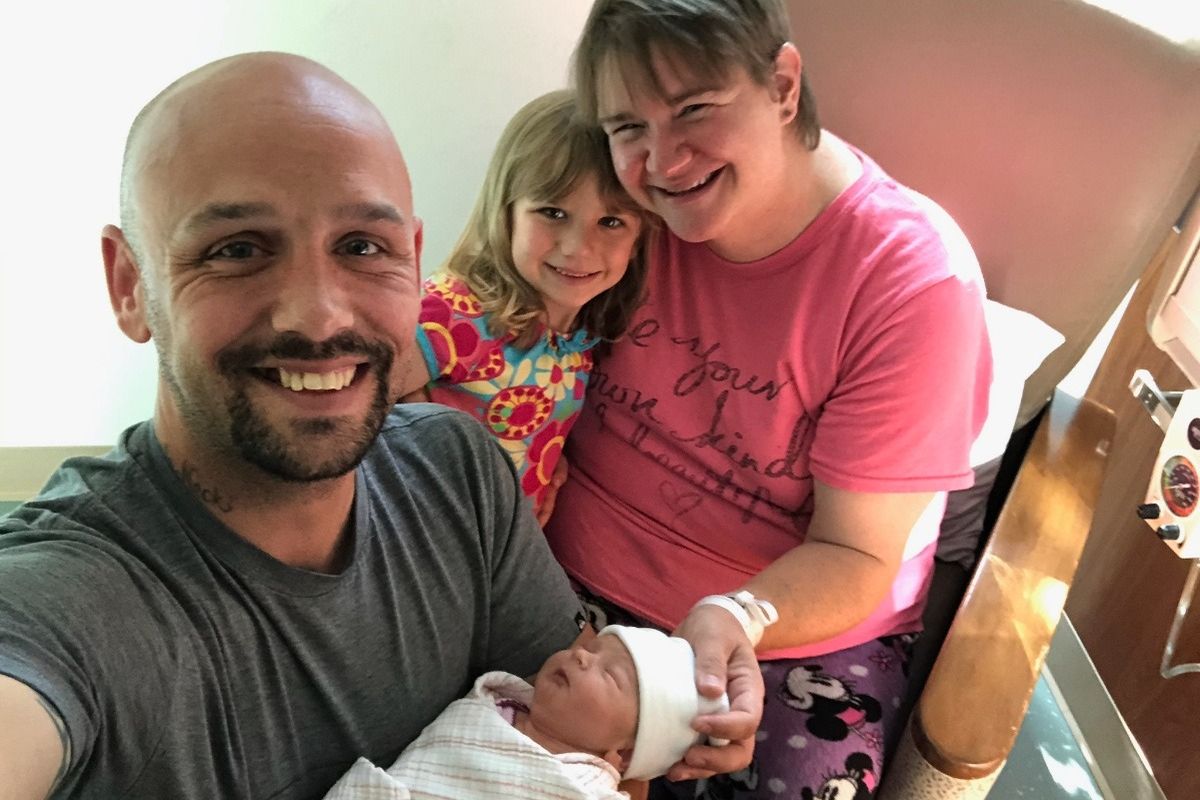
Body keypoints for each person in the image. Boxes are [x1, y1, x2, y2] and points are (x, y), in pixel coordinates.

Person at [0, 52, 590, 800]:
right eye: (238, 250)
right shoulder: (69, 597)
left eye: (361, 247)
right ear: (129, 284)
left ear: (413, 261)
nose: (318, 316)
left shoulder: (459, 474)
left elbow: (594, 748)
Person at [543, 1, 993, 797]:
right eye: (628, 127)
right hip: (555, 567)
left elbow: (856, 553)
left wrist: (734, 617)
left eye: (694, 109)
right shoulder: (612, 212)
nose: (663, 161)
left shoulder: (911, 286)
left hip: (787, 628)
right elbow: (497, 321)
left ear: (783, 85)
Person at [403, 89, 648, 523]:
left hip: (502, 547)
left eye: (611, 222)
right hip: (430, 538)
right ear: (506, 212)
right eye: (553, 212)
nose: (577, 247)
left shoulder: (578, 338)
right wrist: (414, 416)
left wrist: (545, 458)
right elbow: (358, 393)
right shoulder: (459, 311)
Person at [324, 625, 728, 799]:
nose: (582, 656)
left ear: (622, 753)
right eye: (592, 649)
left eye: (610, 675)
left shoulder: (588, 790)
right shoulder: (494, 702)